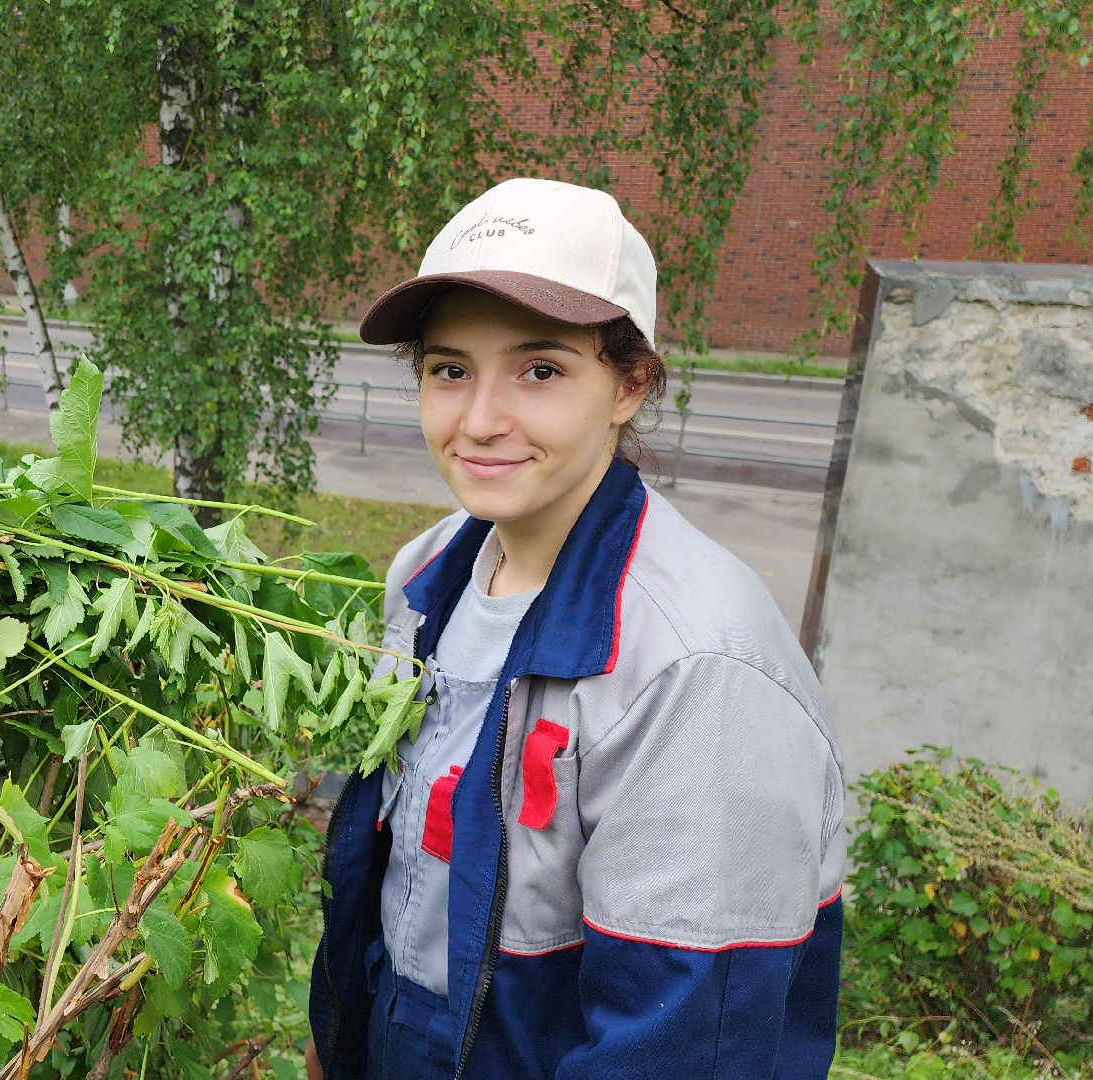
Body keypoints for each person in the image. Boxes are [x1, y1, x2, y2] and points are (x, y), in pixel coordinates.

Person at [304, 177, 845, 1079]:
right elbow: (392, 878)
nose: (480, 421)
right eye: (449, 369)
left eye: (540, 369)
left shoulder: (695, 667)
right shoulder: (425, 577)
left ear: (628, 383)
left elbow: (681, 1043)